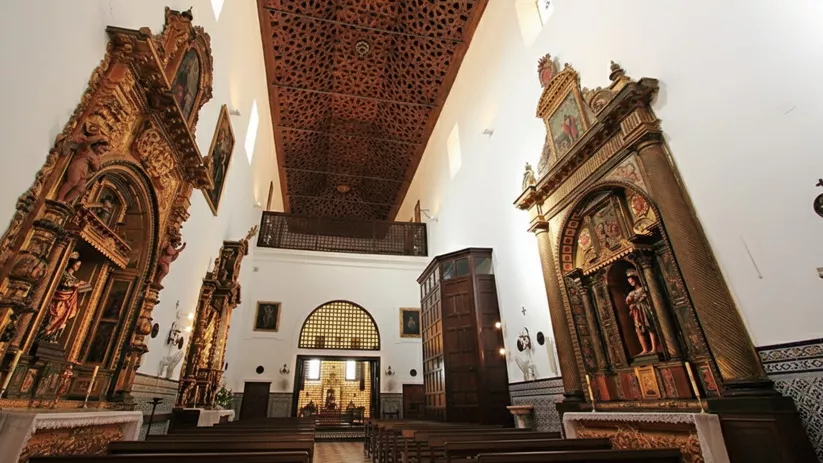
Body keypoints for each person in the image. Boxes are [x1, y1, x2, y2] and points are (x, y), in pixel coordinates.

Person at [40, 252, 88, 342]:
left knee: (62, 319)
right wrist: (77, 284)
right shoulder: (64, 274)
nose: (78, 267)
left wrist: (80, 284)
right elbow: (65, 283)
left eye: (79, 265)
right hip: (59, 299)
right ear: (72, 263)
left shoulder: (74, 277)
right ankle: (44, 333)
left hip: (67, 302)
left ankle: (50, 335)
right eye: (77, 265)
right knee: (54, 316)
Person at [625, 268, 659, 355]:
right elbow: (628, 302)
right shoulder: (631, 292)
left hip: (645, 309)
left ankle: (654, 348)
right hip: (637, 312)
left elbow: (649, 297)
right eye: (629, 280)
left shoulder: (644, 289)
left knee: (650, 327)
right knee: (639, 330)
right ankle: (645, 349)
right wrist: (629, 301)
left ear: (636, 278)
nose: (631, 281)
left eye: (632, 279)